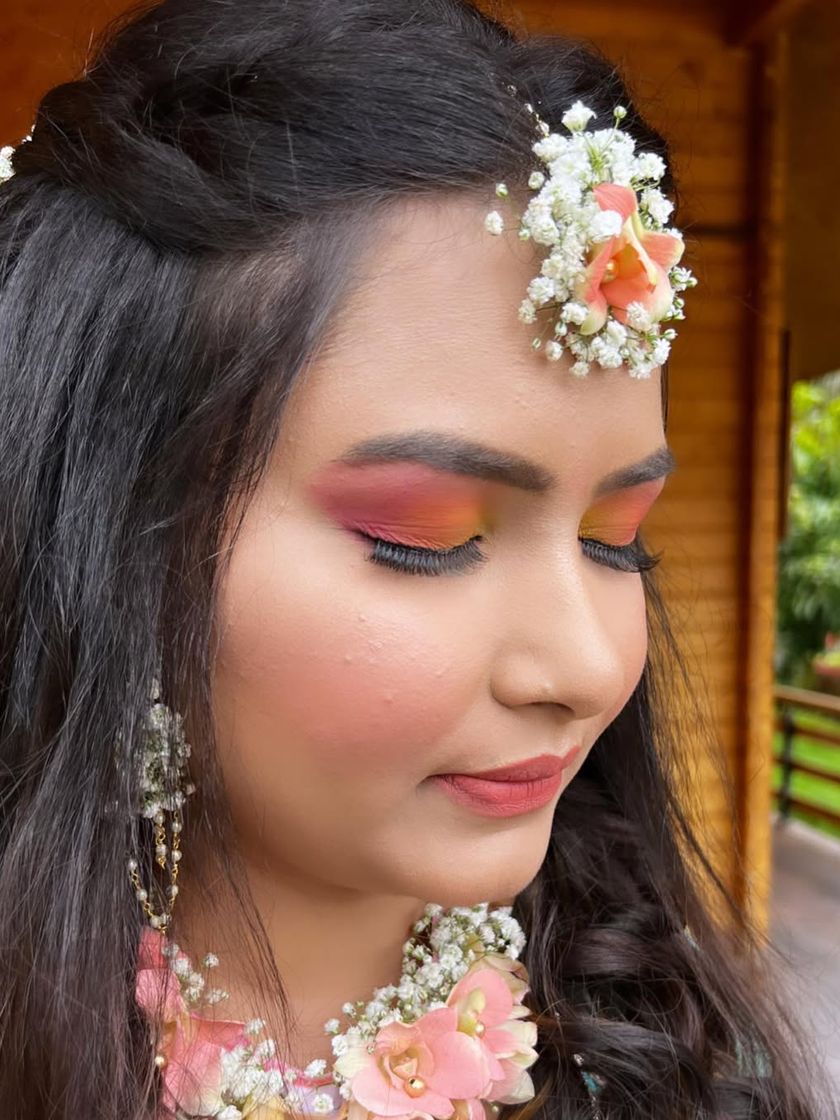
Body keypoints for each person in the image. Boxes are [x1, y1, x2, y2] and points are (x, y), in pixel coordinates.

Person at [0, 1, 833, 1118]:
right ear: (113, 536)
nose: (586, 666)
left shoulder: (674, 1075)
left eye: (615, 538)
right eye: (425, 539)